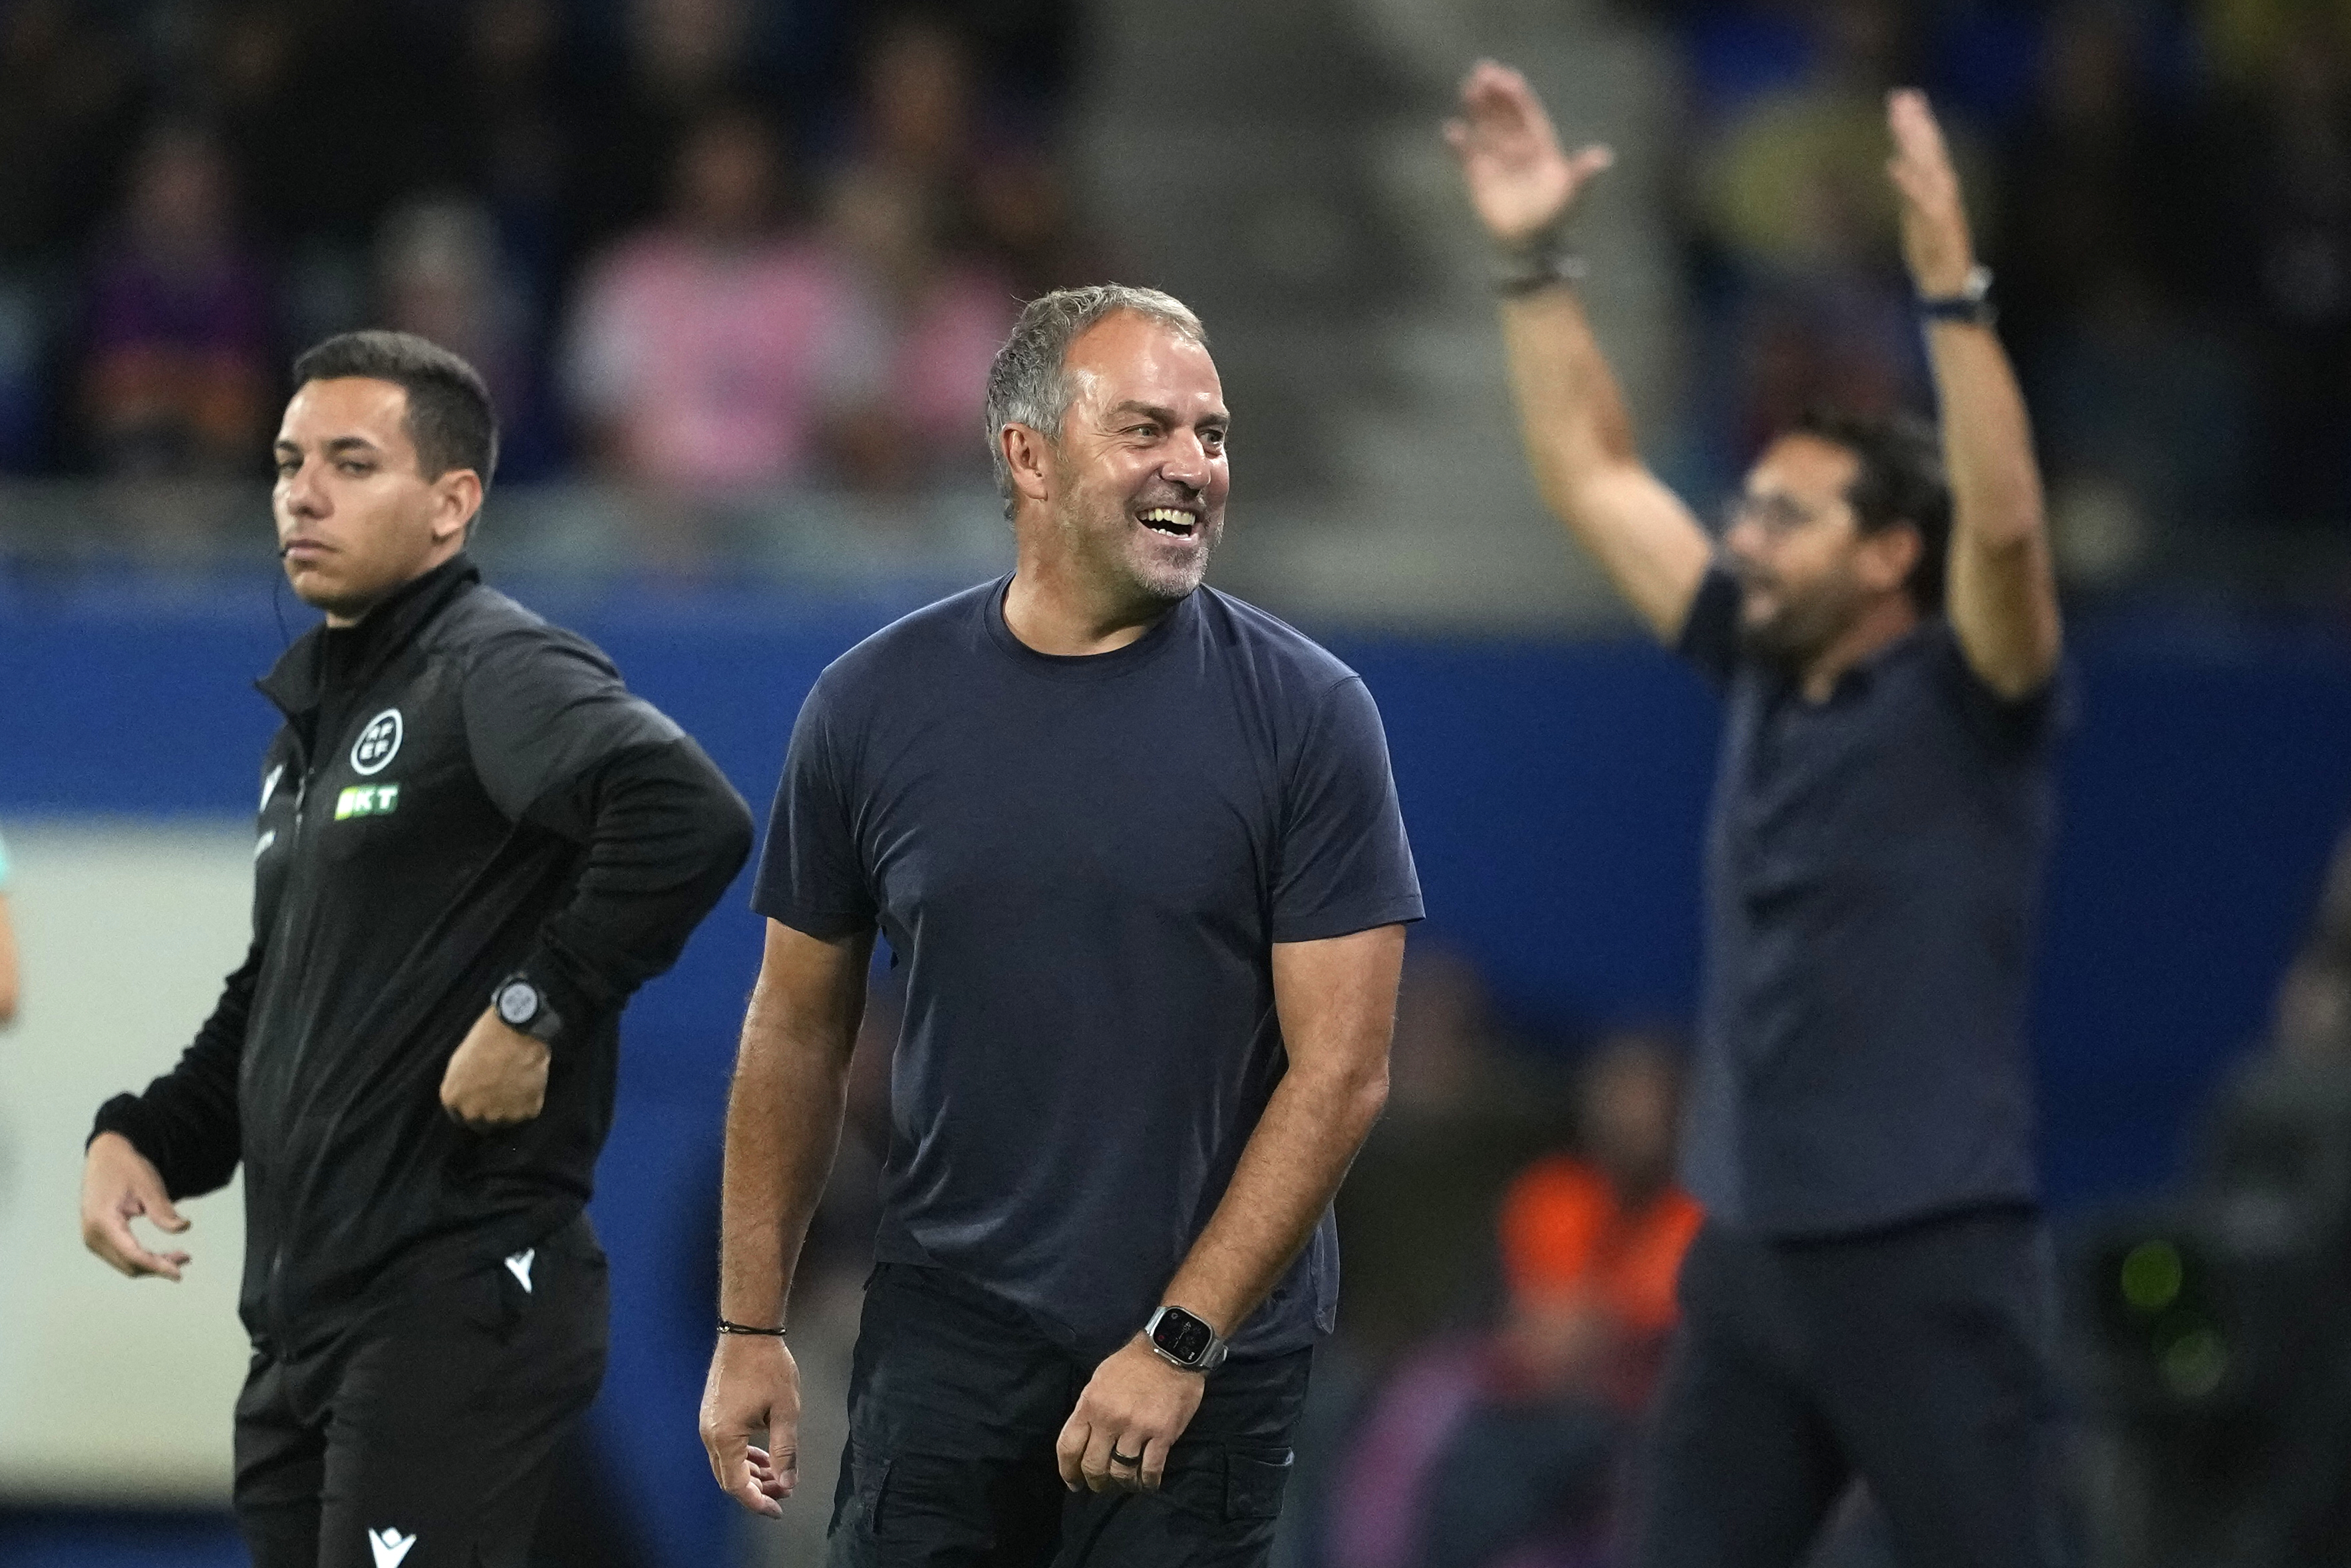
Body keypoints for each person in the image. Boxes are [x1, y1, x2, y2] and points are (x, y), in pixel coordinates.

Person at [1449, 62, 2067, 1568]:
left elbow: (2004, 521)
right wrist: (1532, 260)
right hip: (1749, 1272)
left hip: (1929, 1264)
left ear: (1889, 562)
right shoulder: (1757, 667)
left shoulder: (1977, 695)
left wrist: (1952, 296)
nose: (1747, 535)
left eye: (1790, 517)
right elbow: (1594, 471)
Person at [697, 283, 1424, 1563]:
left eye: (1212, 434)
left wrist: (1179, 1338)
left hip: (1205, 1360)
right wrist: (748, 1325)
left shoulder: (1312, 717)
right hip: (947, 1345)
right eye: (1146, 428)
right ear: (1026, 454)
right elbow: (795, 1024)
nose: (1194, 466)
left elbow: (1345, 1069)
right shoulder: (867, 707)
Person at [78, 329, 753, 1568]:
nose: (301, 491)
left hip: (450, 1293)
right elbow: (278, 994)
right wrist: (146, 1132)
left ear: (452, 504)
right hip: (306, 1321)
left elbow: (687, 811)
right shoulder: (309, 735)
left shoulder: (487, 665)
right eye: (288, 462)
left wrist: (534, 1008)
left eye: (350, 462)